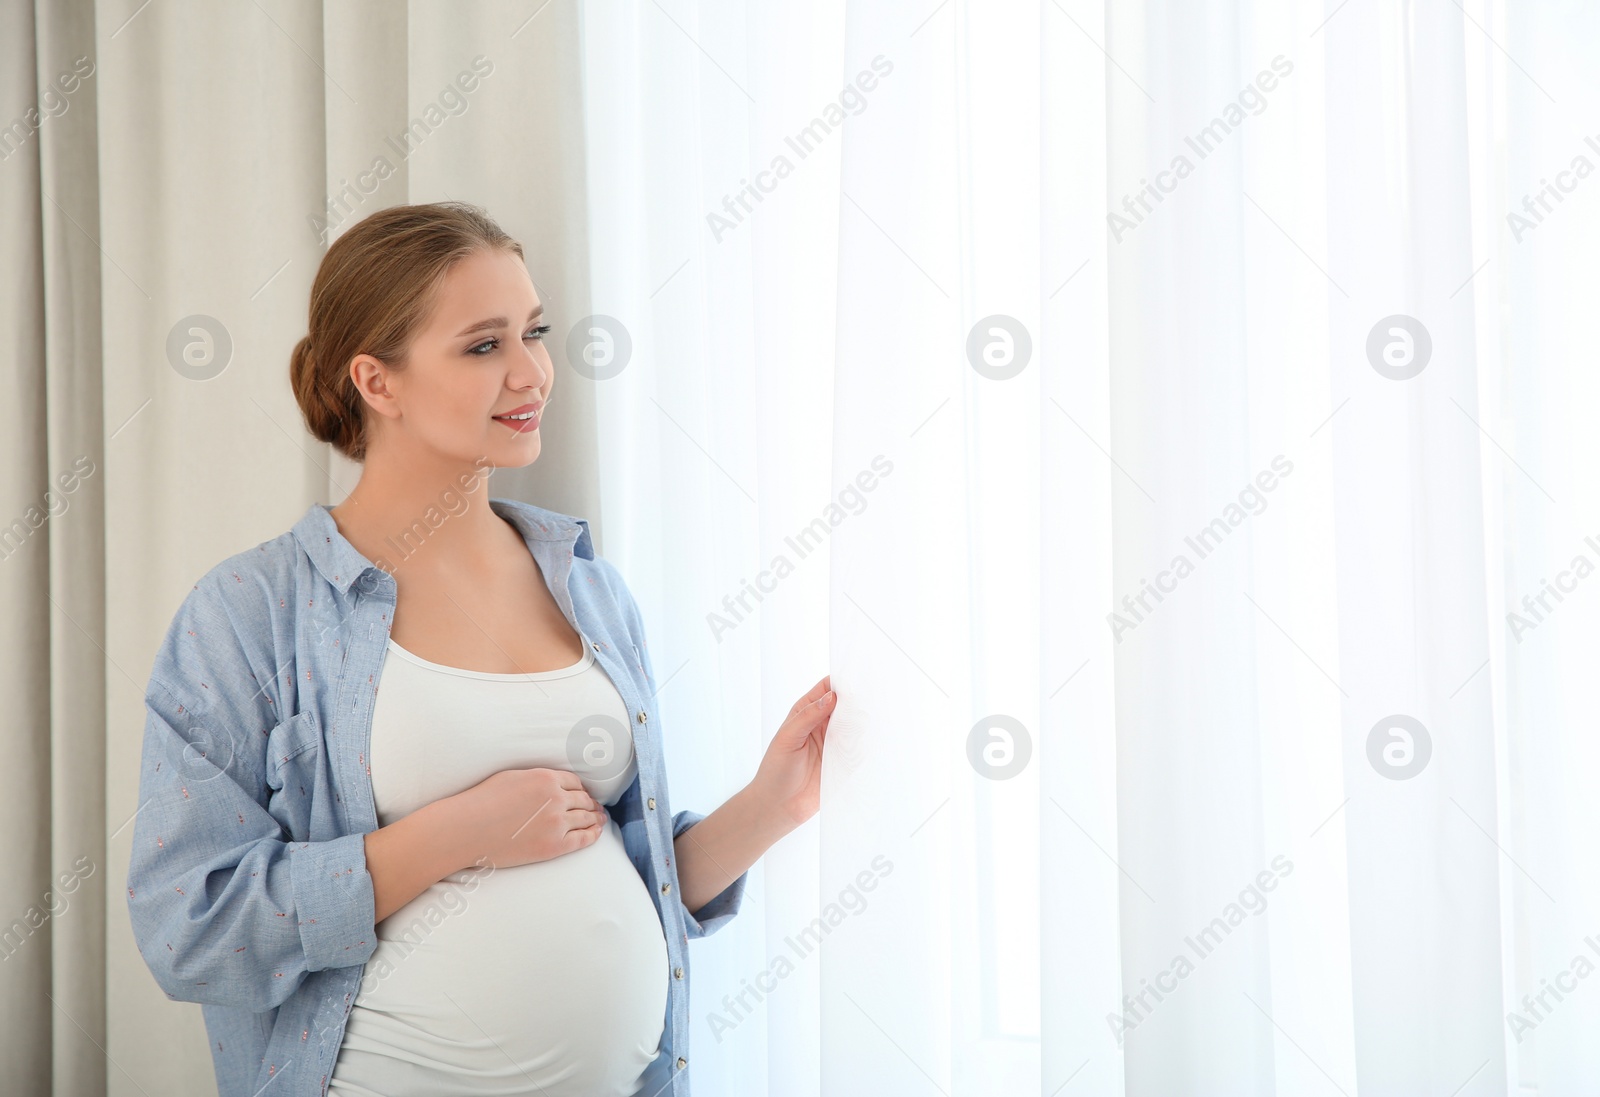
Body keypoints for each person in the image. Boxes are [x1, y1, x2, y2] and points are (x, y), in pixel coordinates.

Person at [124, 201, 836, 1097]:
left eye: (534, 332)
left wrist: (771, 806)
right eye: (484, 345)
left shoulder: (589, 588)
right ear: (377, 382)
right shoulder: (250, 613)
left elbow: (635, 876)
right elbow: (189, 928)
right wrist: (454, 834)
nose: (534, 371)